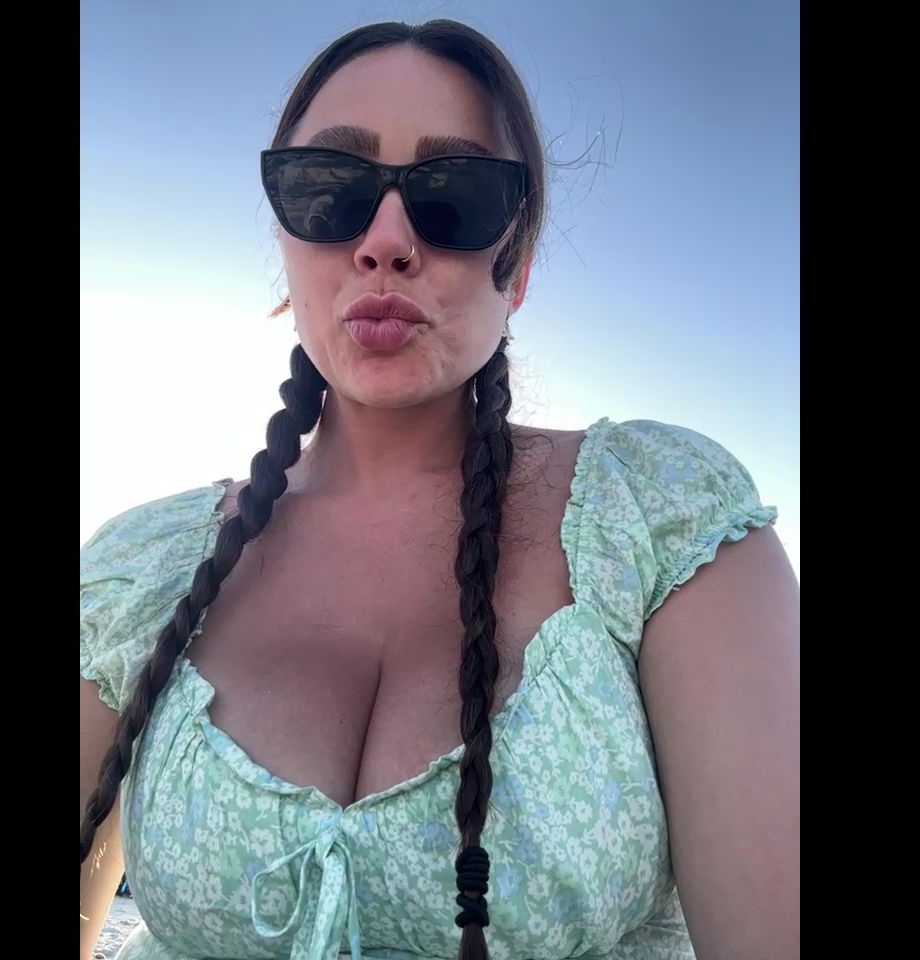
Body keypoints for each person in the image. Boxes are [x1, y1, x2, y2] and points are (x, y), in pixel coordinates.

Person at [80, 18, 799, 960]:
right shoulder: (142, 571)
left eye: (454, 195)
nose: (385, 241)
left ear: (519, 269)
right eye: (330, 187)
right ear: (285, 239)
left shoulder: (663, 520)